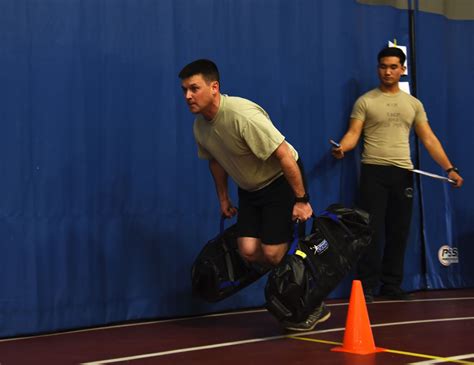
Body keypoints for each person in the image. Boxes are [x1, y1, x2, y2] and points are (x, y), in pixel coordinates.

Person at [179, 59, 330, 330]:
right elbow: (215, 161)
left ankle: (310, 300)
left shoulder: (242, 115)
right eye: (184, 90)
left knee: (272, 254)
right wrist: (224, 198)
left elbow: (284, 155)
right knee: (248, 251)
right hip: (250, 189)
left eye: (194, 88)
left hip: (280, 182)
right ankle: (287, 280)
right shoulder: (200, 127)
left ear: (214, 87)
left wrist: (301, 200)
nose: (188, 96)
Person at [332, 47, 464, 302]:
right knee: (370, 230)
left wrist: (450, 168)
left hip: (403, 173)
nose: (387, 71)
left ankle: (391, 286)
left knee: (399, 231)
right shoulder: (365, 101)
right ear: (377, 68)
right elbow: (352, 134)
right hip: (373, 172)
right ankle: (367, 287)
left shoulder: (413, 104)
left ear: (403, 70)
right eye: (383, 66)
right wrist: (342, 148)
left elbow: (429, 139)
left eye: (393, 67)